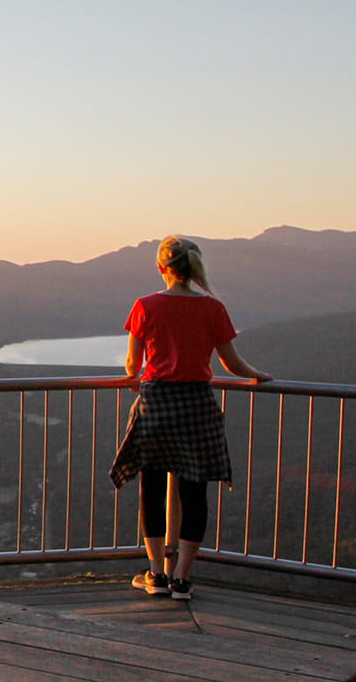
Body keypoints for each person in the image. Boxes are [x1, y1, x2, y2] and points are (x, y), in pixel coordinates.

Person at [111, 235, 273, 601]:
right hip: (198, 404)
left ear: (161, 268)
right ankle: (182, 578)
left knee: (151, 488)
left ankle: (155, 574)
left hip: (158, 403)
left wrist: (140, 383)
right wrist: (259, 375)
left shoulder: (145, 306)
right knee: (194, 491)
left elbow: (133, 366)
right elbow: (231, 363)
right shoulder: (212, 308)